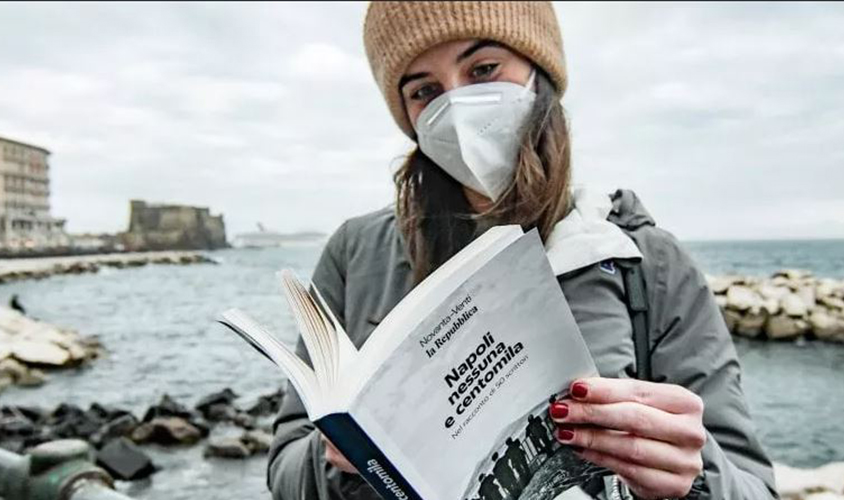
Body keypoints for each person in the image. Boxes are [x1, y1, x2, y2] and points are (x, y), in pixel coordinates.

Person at [269, 3, 777, 500]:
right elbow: (285, 470)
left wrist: (693, 475)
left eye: (484, 68)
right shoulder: (356, 253)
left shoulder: (649, 262)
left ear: (541, 71)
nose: (458, 104)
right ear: (407, 116)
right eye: (425, 91)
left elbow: (753, 486)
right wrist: (335, 454)